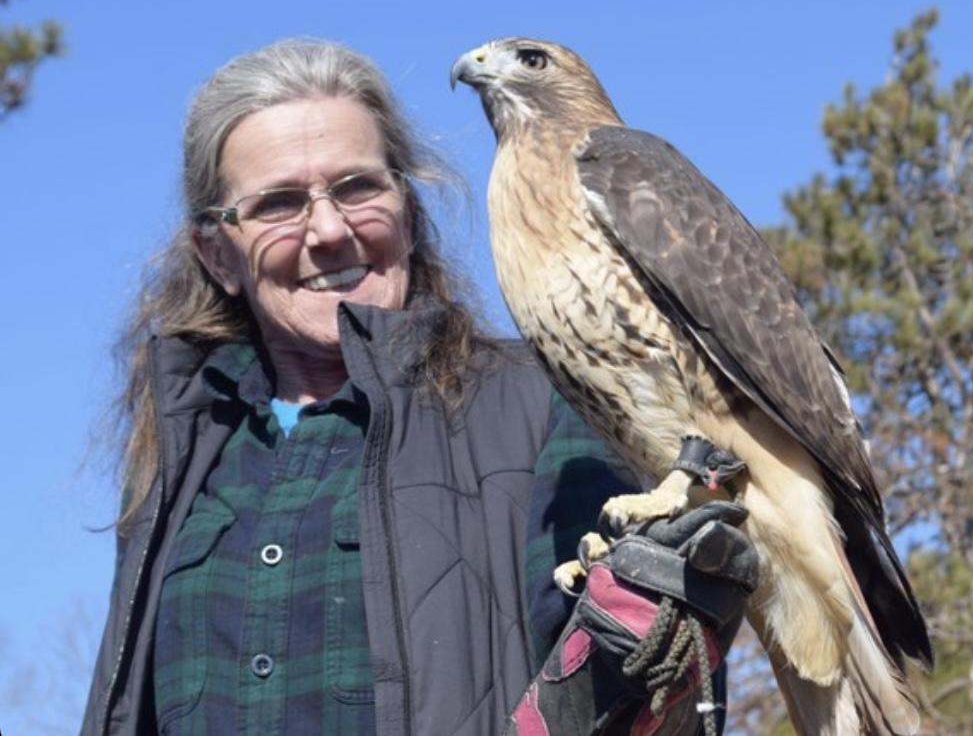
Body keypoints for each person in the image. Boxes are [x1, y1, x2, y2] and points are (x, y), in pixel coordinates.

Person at [82, 39, 757, 736]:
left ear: (407, 212)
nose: (329, 230)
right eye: (279, 204)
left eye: (357, 188)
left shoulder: (544, 406)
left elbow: (640, 692)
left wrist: (637, 666)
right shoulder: (182, 457)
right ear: (218, 253)